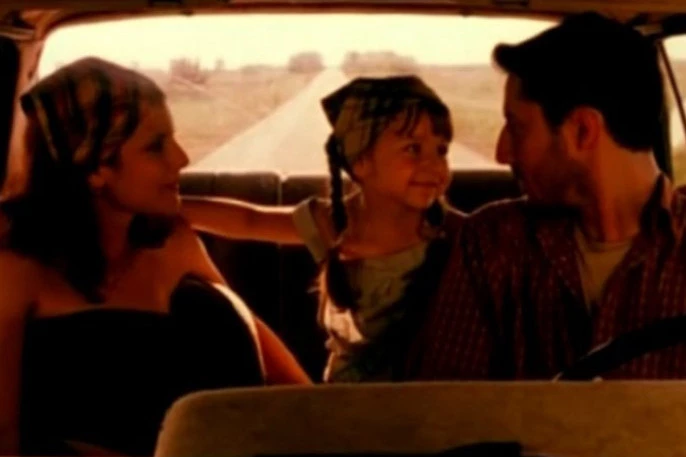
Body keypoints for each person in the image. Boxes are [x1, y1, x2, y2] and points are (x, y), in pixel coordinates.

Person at [0, 57, 310, 456]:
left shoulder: (170, 242)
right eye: (155, 146)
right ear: (95, 169)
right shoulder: (17, 271)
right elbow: (5, 438)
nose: (181, 158)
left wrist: (319, 415)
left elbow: (254, 339)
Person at [408, 12, 686, 380]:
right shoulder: (492, 243)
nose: (502, 153)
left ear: (582, 131)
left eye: (517, 127)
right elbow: (447, 403)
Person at [183, 76, 464, 382]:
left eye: (441, 150)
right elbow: (249, 220)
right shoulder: (332, 225)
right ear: (361, 162)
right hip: (344, 399)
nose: (435, 165)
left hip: (428, 397)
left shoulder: (460, 235)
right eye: (413, 148)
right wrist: (171, 207)